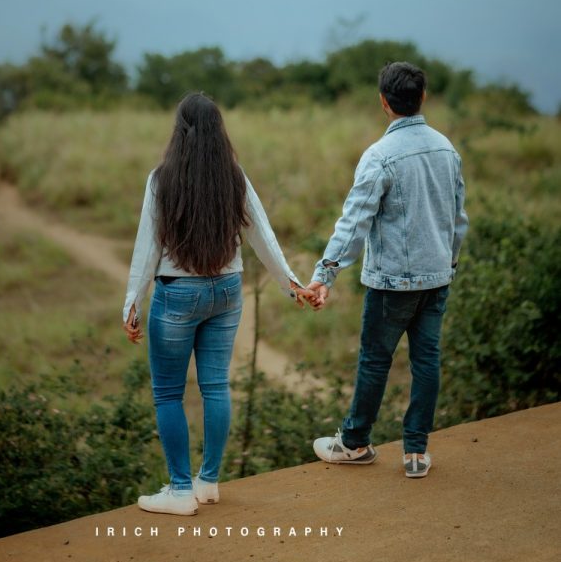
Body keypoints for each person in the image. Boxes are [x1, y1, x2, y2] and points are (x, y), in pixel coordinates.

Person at [122, 91, 314, 515]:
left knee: (169, 393)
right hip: (227, 291)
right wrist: (292, 284)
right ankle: (207, 482)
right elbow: (262, 236)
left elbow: (146, 247)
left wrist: (132, 304)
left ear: (180, 131)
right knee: (215, 387)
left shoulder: (161, 179)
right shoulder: (235, 176)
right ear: (217, 131)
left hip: (177, 295)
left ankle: (179, 490)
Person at [305, 61, 469, 478]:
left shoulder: (379, 157)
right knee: (426, 361)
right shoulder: (446, 149)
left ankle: (355, 442)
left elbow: (354, 221)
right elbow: (458, 219)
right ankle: (416, 452)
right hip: (438, 277)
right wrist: (447, 263)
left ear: (384, 103)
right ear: (423, 98)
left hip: (392, 282)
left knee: (375, 361)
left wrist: (324, 274)